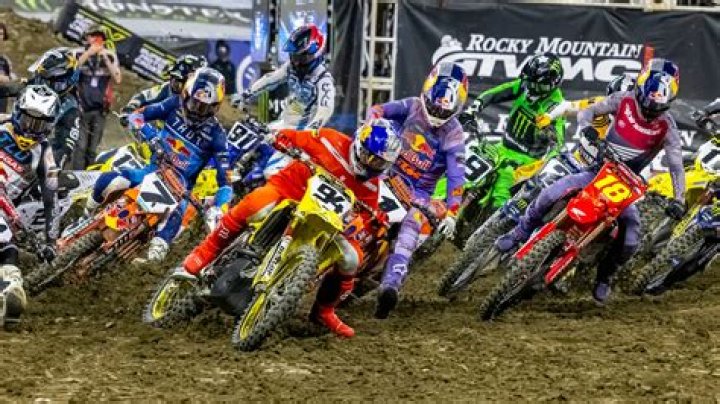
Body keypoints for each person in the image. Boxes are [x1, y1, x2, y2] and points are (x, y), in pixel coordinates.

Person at [182, 119, 402, 337]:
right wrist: (279, 139)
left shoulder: (372, 186)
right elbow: (293, 137)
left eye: (379, 163)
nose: (371, 164)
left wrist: (375, 220)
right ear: (359, 143)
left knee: (352, 259)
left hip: (325, 219)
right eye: (369, 156)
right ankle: (205, 252)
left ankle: (324, 311)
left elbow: (365, 216)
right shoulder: (330, 139)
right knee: (255, 204)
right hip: (289, 190)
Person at [495, 68, 686, 304]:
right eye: (646, 104)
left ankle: (604, 277)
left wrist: (679, 199)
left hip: (626, 185)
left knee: (631, 237)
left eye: (655, 108)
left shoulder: (667, 127)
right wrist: (588, 129)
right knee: (550, 193)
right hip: (599, 169)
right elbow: (589, 110)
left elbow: (676, 165)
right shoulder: (623, 99)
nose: (648, 111)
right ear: (639, 91)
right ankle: (519, 232)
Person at [84, 67, 232, 263]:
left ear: (215, 107)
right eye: (194, 103)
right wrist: (150, 134)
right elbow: (137, 116)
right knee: (109, 180)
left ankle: (147, 268)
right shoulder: (174, 104)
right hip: (154, 169)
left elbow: (226, 182)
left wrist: (220, 208)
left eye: (204, 108)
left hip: (179, 189)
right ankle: (86, 216)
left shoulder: (217, 136)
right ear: (186, 94)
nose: (197, 111)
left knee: (166, 236)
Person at [369, 61, 468, 319]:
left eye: (444, 110)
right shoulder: (412, 105)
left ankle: (390, 287)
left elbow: (457, 177)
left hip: (417, 195)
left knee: (411, 230)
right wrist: (371, 127)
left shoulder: (454, 134)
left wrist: (452, 212)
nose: (437, 113)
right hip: (385, 173)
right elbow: (378, 110)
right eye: (435, 106)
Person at [461, 53, 566, 209]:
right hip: (502, 147)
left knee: (502, 188)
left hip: (526, 161)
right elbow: (495, 93)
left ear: (552, 85)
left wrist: (551, 140)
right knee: (466, 169)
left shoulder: (556, 107)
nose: (531, 89)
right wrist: (473, 109)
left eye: (537, 86)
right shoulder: (526, 85)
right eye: (529, 83)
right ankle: (439, 203)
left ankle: (494, 222)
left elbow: (558, 144)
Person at [0, 85, 61, 323]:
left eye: (39, 124)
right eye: (28, 120)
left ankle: (11, 287)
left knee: (6, 240)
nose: (31, 128)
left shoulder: (45, 154)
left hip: (6, 213)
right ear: (18, 112)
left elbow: (51, 199)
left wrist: (51, 241)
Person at [234, 23, 334, 130]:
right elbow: (270, 79)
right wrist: (246, 94)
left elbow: (325, 109)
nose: (295, 62)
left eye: (300, 57)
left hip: (303, 132)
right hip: (285, 124)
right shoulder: (291, 67)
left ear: (315, 54)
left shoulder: (323, 79)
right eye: (294, 56)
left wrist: (312, 130)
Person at [72, 24, 122, 169]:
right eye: (93, 36)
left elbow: (118, 78)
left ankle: (90, 174)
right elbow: (71, 68)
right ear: (86, 37)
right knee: (80, 146)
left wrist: (105, 58)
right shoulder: (78, 53)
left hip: (100, 108)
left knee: (93, 148)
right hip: (81, 106)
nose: (96, 40)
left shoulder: (110, 55)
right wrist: (89, 53)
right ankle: (76, 174)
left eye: (99, 37)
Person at [27, 47, 82, 167]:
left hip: (35, 158)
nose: (45, 87)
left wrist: (48, 168)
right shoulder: (32, 86)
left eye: (55, 83)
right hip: (11, 144)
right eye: (42, 80)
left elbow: (65, 148)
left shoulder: (70, 109)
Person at [123, 55, 207, 118]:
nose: (174, 85)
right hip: (162, 133)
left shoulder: (202, 99)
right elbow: (143, 96)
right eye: (173, 79)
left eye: (179, 82)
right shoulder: (167, 88)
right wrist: (131, 107)